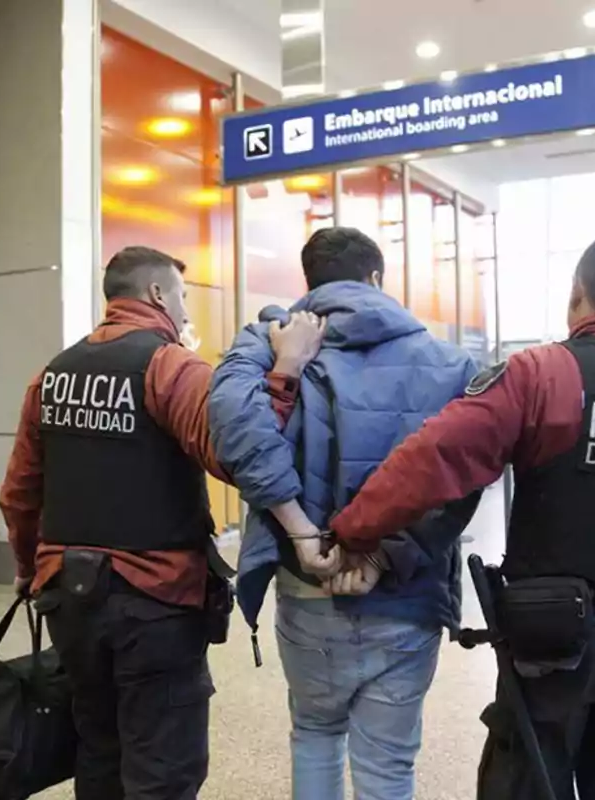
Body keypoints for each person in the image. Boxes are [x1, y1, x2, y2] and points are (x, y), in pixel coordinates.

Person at [322, 233, 595, 800]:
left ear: (576, 296)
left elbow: (438, 456)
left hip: (553, 644)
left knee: (523, 785)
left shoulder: (545, 375)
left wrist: (354, 529)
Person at [0, 245, 325, 800]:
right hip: (155, 602)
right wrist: (282, 377)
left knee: (98, 750)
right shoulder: (170, 366)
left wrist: (30, 569)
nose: (184, 308)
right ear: (156, 294)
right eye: (181, 295)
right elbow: (236, 452)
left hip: (68, 597)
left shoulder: (51, 376)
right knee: (163, 768)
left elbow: (20, 494)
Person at [208, 226, 479, 800]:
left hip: (306, 587)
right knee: (388, 769)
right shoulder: (452, 364)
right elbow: (465, 480)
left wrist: (304, 535)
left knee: (314, 733)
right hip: (408, 596)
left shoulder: (269, 342)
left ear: (310, 284)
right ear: (377, 279)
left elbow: (234, 424)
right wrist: (384, 553)